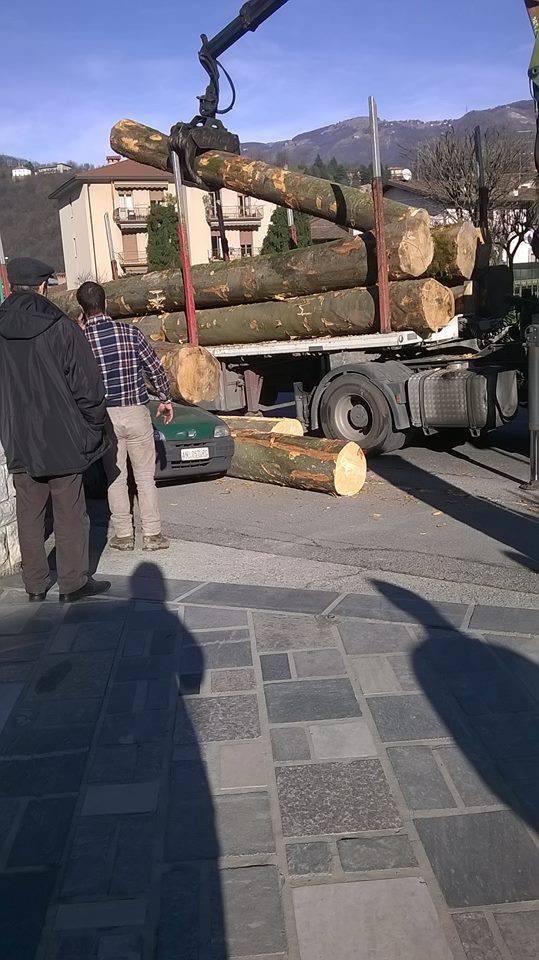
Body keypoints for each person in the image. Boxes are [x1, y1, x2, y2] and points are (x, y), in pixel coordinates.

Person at [0, 258, 111, 603]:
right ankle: (73, 582)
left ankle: (34, 584)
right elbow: (88, 386)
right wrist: (93, 426)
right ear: (44, 286)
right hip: (63, 434)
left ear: (12, 285)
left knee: (29, 513)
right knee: (69, 512)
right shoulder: (61, 327)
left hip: (19, 435)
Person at [76, 281, 173, 551]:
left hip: (104, 416)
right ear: (105, 303)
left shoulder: (81, 341)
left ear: (82, 310)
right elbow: (154, 368)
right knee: (144, 477)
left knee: (115, 478)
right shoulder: (130, 333)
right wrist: (165, 398)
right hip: (136, 412)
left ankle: (123, 535)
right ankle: (152, 535)